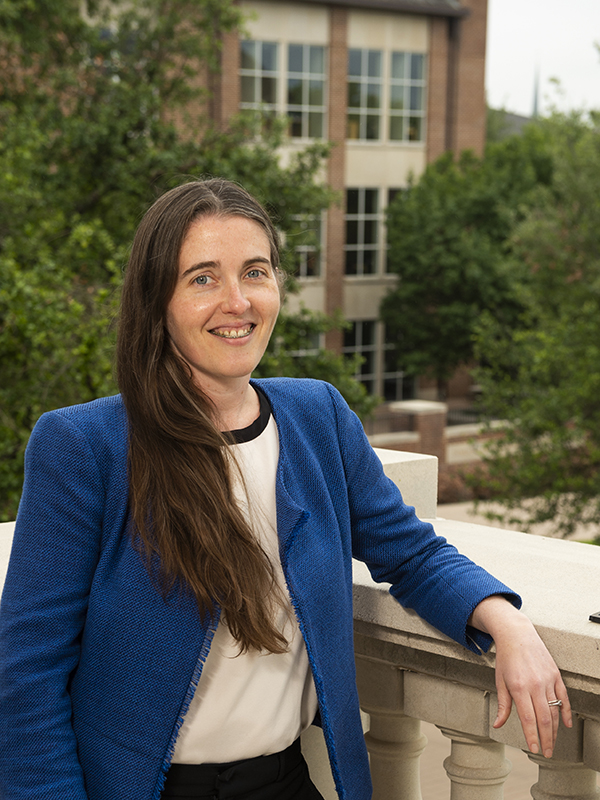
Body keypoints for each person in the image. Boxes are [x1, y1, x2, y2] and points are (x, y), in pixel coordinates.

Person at [0, 178, 571, 800]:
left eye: (255, 271)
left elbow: (409, 551)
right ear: (156, 299)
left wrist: (506, 624)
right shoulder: (85, 445)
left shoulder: (317, 416)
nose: (237, 301)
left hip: (285, 781)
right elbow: (26, 673)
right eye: (202, 278)